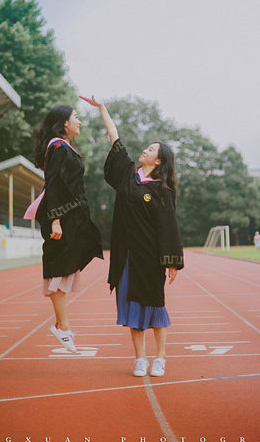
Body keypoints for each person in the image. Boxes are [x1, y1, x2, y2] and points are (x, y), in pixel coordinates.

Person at [79, 95, 184, 378]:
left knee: (155, 307)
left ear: (158, 159)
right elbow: (114, 137)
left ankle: (160, 358)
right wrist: (103, 109)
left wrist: (171, 261)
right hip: (125, 256)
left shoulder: (162, 190)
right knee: (131, 309)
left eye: (150, 149)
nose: (145, 150)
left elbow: (168, 227)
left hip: (149, 258)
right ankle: (140, 359)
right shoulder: (128, 174)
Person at [24, 104, 103, 353]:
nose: (79, 121)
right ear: (64, 123)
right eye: (76, 117)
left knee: (70, 263)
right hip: (61, 217)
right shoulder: (57, 147)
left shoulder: (64, 147)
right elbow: (54, 184)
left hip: (72, 216)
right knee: (59, 269)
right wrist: (56, 219)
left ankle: (63, 325)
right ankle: (63, 326)